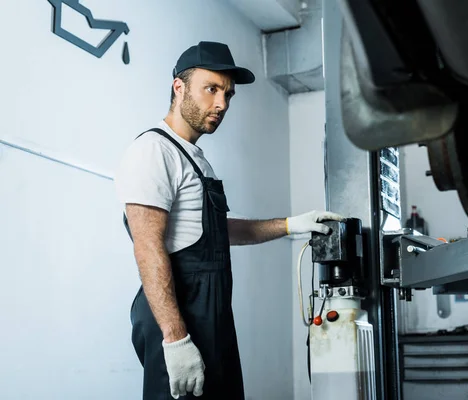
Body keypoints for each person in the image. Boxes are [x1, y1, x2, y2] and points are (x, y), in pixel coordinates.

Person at [114, 41, 344, 400]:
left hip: (213, 315)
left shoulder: (193, 156)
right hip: (179, 317)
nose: (221, 104)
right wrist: (175, 340)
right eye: (211, 89)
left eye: (228, 94)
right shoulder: (152, 151)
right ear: (179, 87)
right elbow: (147, 247)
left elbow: (216, 231)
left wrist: (291, 225)